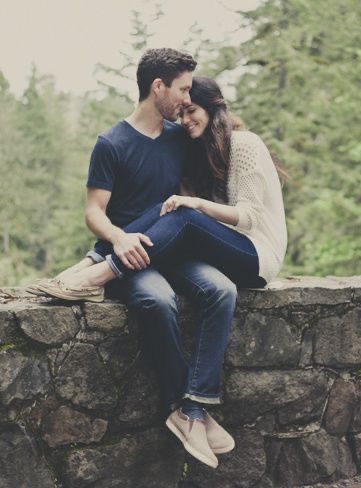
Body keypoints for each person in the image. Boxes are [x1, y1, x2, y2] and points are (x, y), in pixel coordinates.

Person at [29, 67, 287, 469]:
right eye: (182, 109)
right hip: (214, 250)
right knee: (181, 232)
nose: (185, 119)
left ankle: (97, 270)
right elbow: (101, 208)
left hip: (258, 254)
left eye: (192, 107)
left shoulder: (244, 143)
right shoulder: (130, 143)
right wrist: (126, 233)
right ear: (157, 87)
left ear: (213, 107)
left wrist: (194, 205)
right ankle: (194, 409)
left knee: (182, 214)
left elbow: (249, 216)